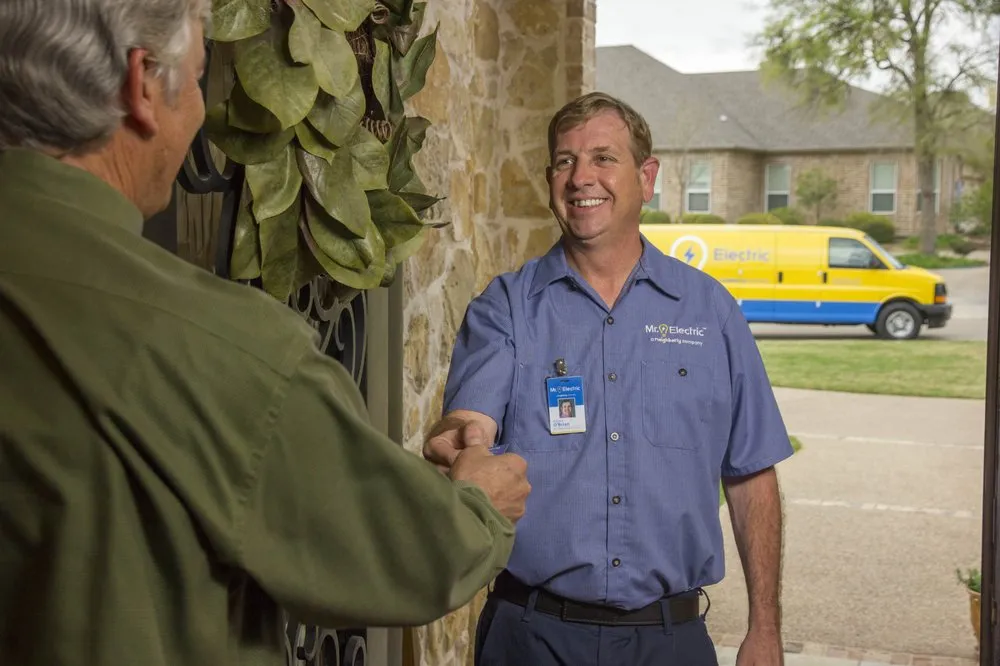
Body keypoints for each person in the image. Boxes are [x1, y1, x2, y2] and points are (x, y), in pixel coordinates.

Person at [0, 1, 531, 665]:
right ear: (141, 85)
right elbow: (409, 553)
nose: (201, 114)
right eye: (198, 81)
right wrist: (480, 506)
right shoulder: (218, 344)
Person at [424, 92, 794, 666]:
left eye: (603, 158)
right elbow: (470, 422)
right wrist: (462, 442)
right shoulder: (506, 309)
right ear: (551, 180)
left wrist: (764, 628)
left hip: (671, 640)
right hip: (531, 638)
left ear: (646, 179)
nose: (581, 178)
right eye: (565, 162)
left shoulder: (709, 311)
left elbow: (751, 475)